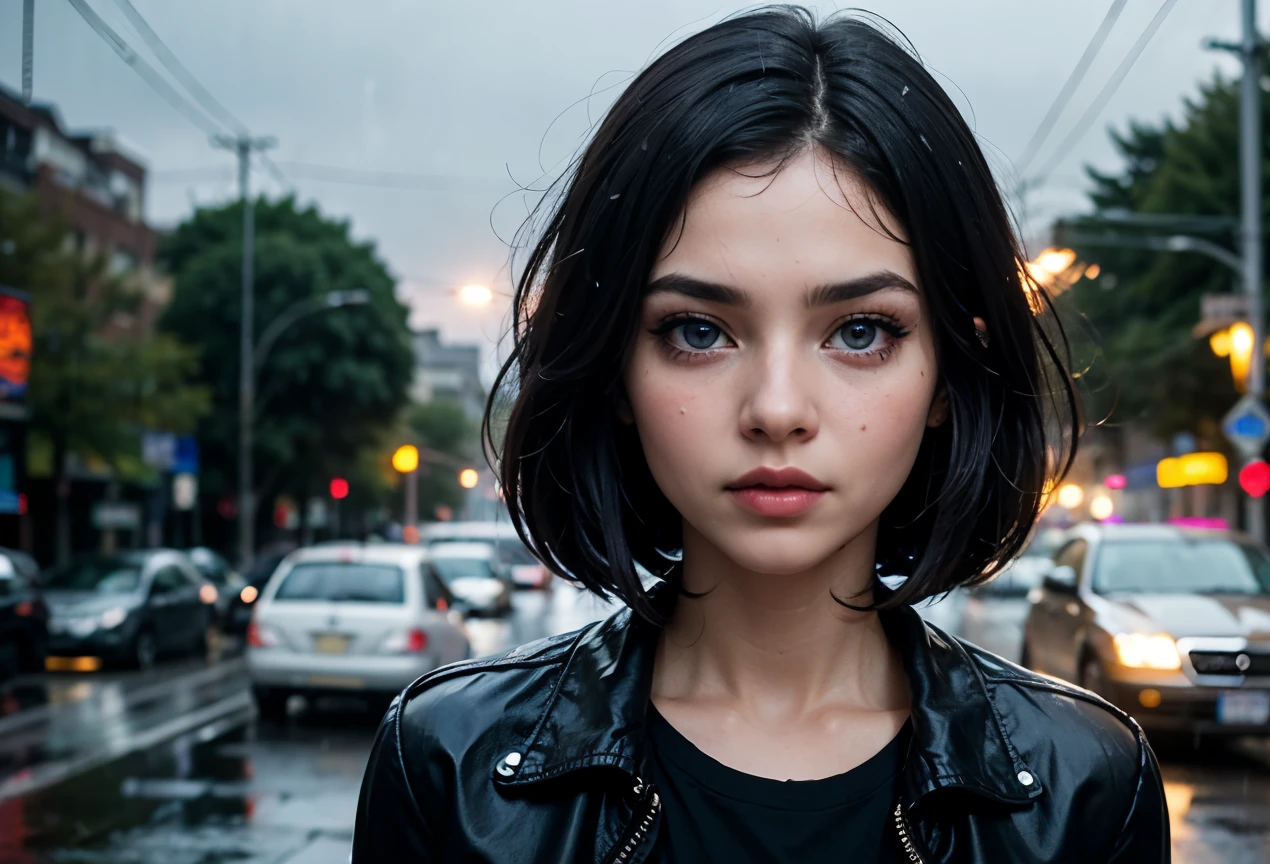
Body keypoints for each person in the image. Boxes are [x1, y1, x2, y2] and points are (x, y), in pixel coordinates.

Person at [353, 7, 1169, 862]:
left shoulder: (1087, 789)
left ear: (948, 374)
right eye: (698, 331)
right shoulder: (448, 766)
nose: (777, 409)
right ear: (617, 371)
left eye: (861, 331)